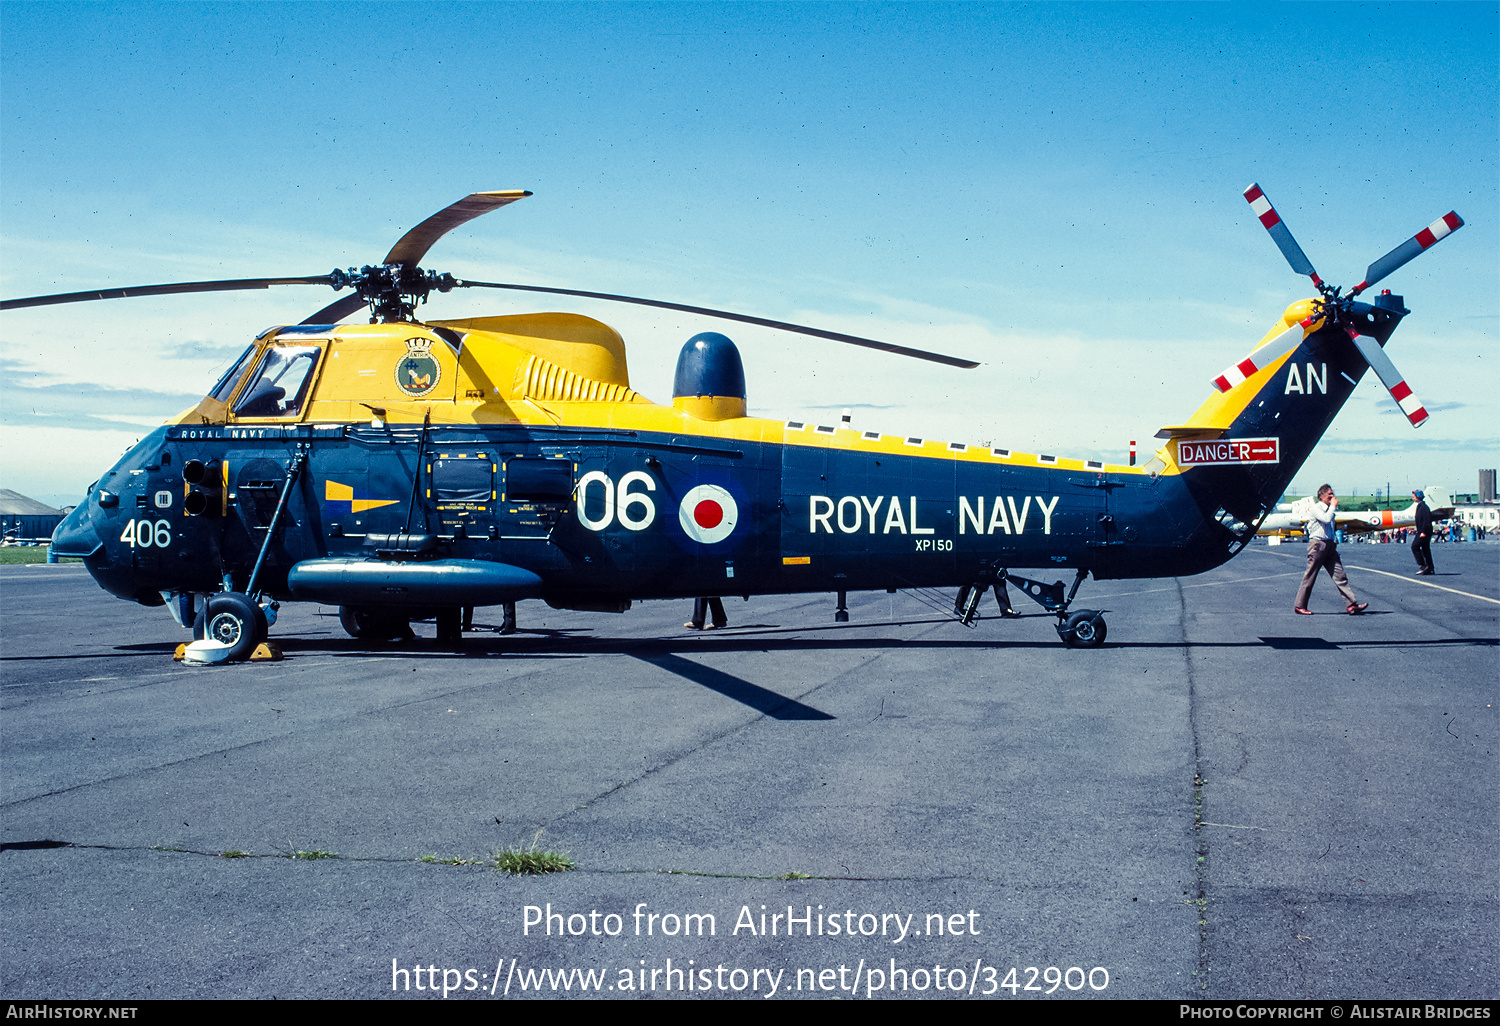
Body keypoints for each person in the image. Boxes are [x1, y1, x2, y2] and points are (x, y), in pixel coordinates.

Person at [1294, 485, 1368, 615]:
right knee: (1310, 575)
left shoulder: (1329, 509)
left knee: (1340, 575)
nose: (1332, 497)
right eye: (1329, 494)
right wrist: (1333, 506)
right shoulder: (1316, 508)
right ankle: (1300, 605)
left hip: (1329, 544)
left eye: (1333, 494)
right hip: (1318, 544)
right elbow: (1326, 520)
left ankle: (1351, 604)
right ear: (1321, 496)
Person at [1411, 489, 1434, 575]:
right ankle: (1430, 568)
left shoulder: (1424, 507)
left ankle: (1423, 565)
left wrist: (1423, 531)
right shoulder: (1420, 506)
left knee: (1415, 546)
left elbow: (1426, 521)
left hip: (1424, 531)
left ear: (1417, 497)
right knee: (1425, 549)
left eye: (1414, 497)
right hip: (1423, 531)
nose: (1413, 498)